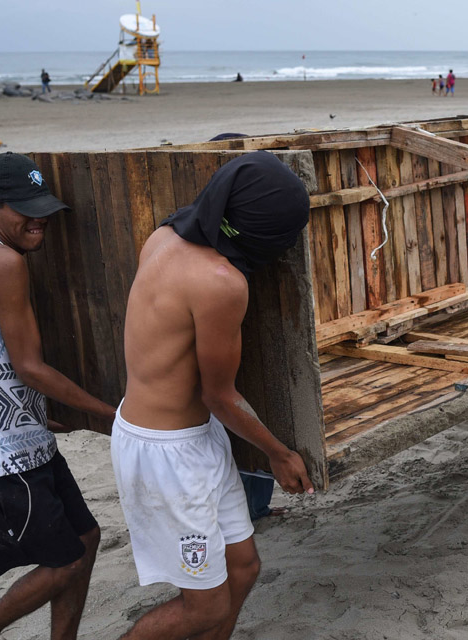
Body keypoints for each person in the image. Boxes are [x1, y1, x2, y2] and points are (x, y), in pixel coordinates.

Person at [112, 151, 315, 639]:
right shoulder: (221, 283)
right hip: (165, 454)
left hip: (195, 438)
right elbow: (220, 395)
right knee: (202, 608)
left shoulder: (164, 237)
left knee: (243, 571)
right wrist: (279, 455)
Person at [0, 152, 118, 640]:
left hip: (23, 439)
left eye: (43, 206)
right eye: (24, 207)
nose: (38, 218)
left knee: (86, 538)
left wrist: (41, 415)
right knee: (66, 562)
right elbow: (30, 367)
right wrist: (113, 413)